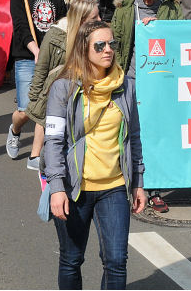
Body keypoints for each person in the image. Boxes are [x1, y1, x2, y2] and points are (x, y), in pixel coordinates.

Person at [44, 21, 146, 290]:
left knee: (116, 261)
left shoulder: (125, 85)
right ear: (84, 49)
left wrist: (138, 182)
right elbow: (53, 141)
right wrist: (56, 188)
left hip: (114, 188)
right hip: (74, 189)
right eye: (99, 45)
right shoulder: (63, 87)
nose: (108, 50)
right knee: (71, 259)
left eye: (112, 44)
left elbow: (133, 136)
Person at [111, 0, 182, 213]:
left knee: (156, 135)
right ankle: (125, 184)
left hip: (160, 82)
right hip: (130, 80)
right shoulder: (125, 8)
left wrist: (160, 28)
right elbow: (115, 44)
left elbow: (180, 39)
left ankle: (153, 189)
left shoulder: (172, 8)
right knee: (128, 134)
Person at [25, 0, 100, 171]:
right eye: (94, 18)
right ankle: (44, 166)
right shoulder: (55, 34)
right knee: (56, 141)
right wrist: (35, 99)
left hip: (83, 98)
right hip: (57, 97)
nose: (99, 21)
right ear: (81, 20)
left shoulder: (96, 37)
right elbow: (42, 69)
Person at [6, 0, 68, 161]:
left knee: (46, 109)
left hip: (51, 60)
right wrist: (36, 50)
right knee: (26, 110)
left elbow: (61, 27)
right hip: (27, 58)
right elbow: (21, 28)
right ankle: (15, 131)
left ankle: (36, 156)